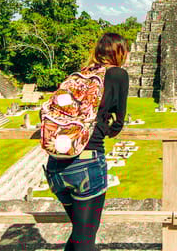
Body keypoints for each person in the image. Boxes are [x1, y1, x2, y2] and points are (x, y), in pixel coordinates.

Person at [43, 33, 129, 251]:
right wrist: (106, 128)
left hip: (56, 165)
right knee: (85, 240)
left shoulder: (80, 75)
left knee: (79, 236)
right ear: (120, 53)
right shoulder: (117, 74)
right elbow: (118, 123)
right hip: (86, 164)